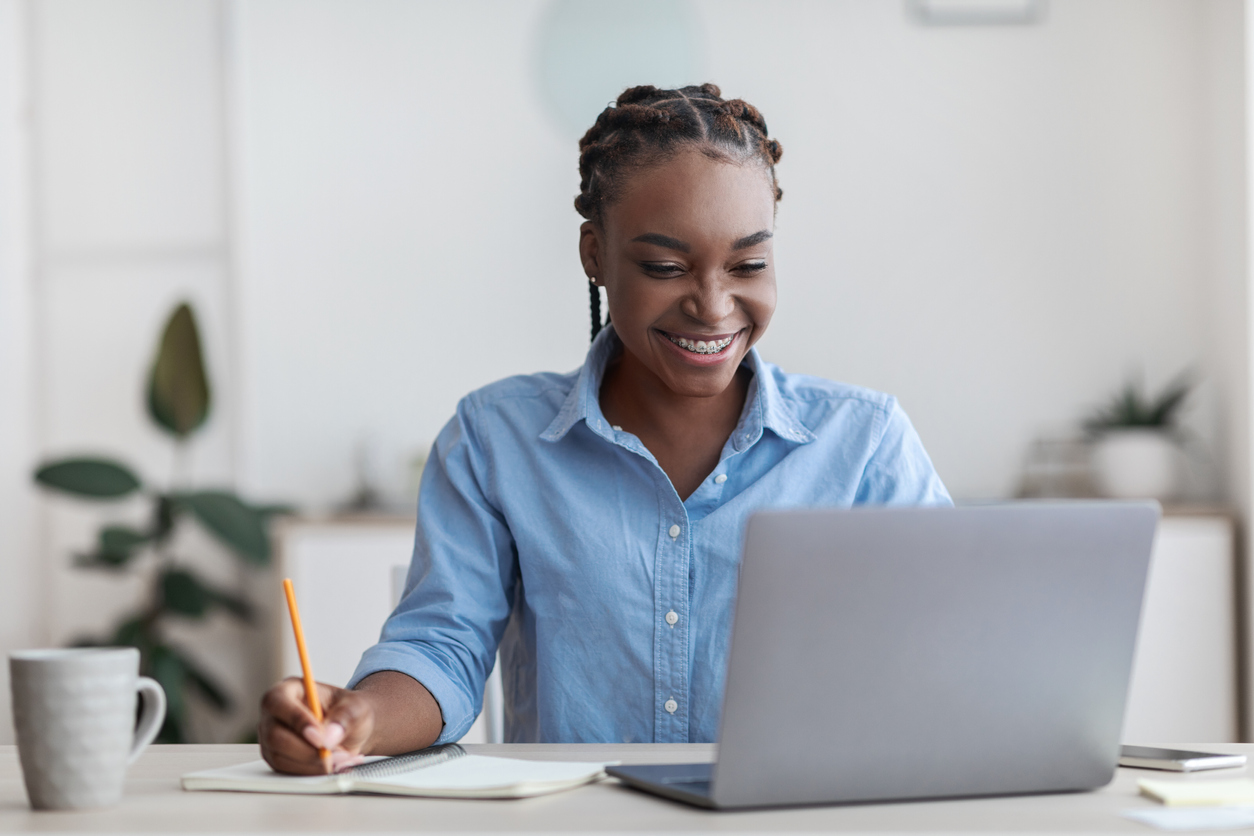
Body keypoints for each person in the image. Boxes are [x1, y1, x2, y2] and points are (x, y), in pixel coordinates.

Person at [258, 84, 951, 774]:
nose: (713, 306)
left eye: (749, 264)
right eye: (664, 267)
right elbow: (443, 647)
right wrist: (360, 719)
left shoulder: (864, 445)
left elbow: (953, 647)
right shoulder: (495, 440)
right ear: (594, 253)